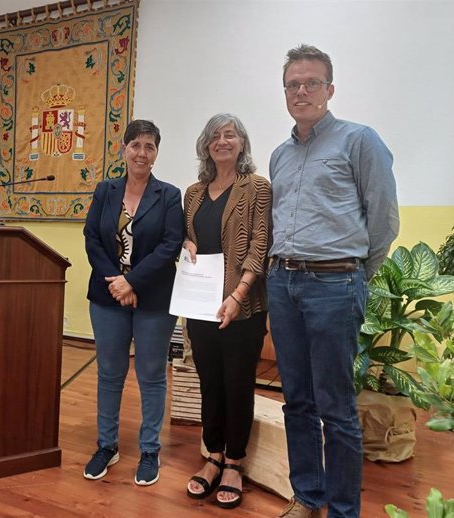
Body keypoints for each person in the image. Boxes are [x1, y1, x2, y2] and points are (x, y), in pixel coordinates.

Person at [267, 45, 399, 518]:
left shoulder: (359, 140)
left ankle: (344, 510)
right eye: (293, 84)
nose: (301, 91)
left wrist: (356, 275)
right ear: (285, 92)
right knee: (296, 400)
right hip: (282, 284)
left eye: (311, 82)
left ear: (330, 89)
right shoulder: (279, 156)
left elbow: (383, 219)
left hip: (334, 287)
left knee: (337, 408)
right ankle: (307, 497)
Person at [83, 119, 184, 486]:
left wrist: (132, 281)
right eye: (136, 144)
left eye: (150, 146)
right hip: (108, 296)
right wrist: (117, 283)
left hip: (153, 298)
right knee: (109, 374)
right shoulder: (105, 190)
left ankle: (150, 450)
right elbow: (92, 237)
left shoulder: (169, 195)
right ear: (123, 148)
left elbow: (170, 245)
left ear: (156, 153)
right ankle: (107, 446)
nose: (142, 152)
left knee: (151, 375)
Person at [183, 113, 271, 509]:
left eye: (230, 135)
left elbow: (259, 244)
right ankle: (212, 455)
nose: (222, 141)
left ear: (241, 144)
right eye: (215, 136)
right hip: (200, 305)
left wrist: (237, 295)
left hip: (243, 306)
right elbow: (189, 238)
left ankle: (234, 462)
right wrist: (185, 246)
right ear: (206, 145)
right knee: (209, 383)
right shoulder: (194, 193)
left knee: (237, 384)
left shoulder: (257, 187)